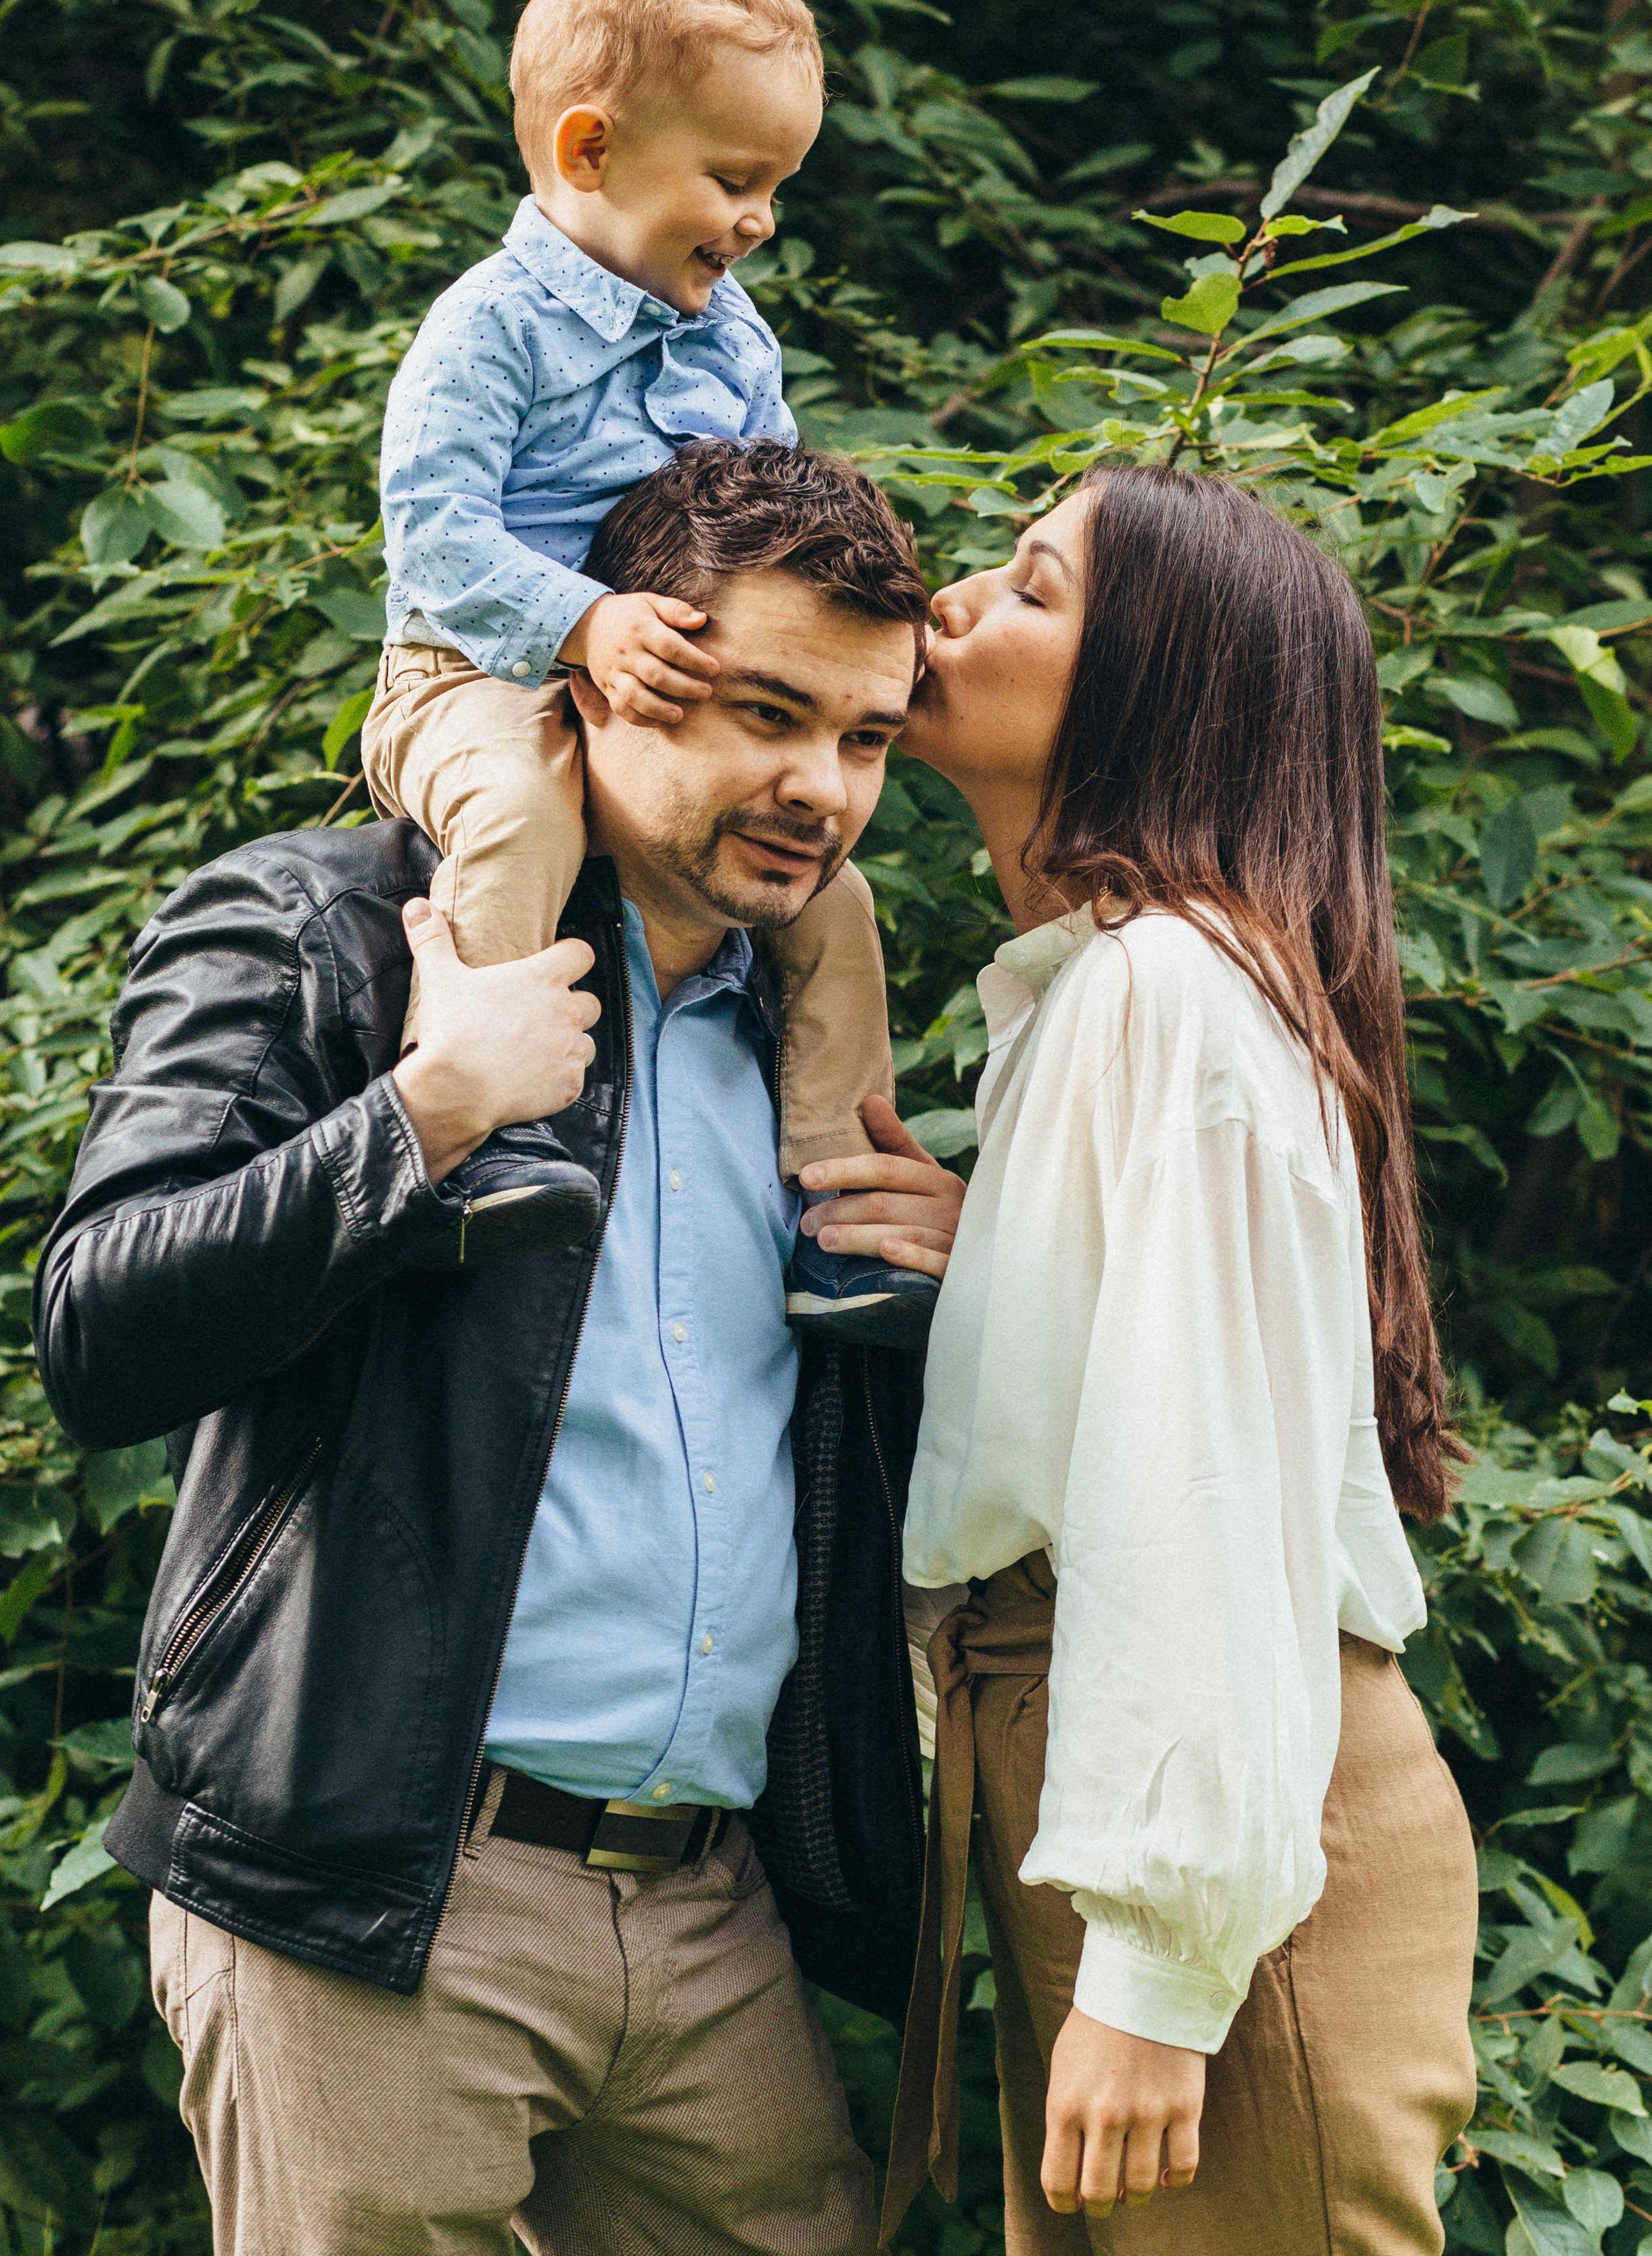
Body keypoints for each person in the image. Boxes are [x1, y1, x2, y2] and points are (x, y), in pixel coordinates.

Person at [33, 443, 963, 2256]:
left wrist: (932, 1298)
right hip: (381, 1887)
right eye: (762, 711)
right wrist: (430, 1114)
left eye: (862, 737)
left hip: (710, 1910)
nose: (817, 787)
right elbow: (100, 1330)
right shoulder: (322, 929)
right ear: (592, 676)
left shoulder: (806, 1039)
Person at [884, 466, 1479, 2254]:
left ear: (1156, 693)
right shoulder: (1107, 995)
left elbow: (1197, 1494)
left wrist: (1156, 1966)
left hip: (1207, 1836)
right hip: (1130, 1791)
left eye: (1036, 590)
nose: (956, 600)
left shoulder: (1168, 996)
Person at [365, 0, 932, 1347]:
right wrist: (583, 622)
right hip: (475, 672)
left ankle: (836, 1208)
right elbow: (433, 535)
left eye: (775, 189)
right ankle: (488, 1121)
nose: (755, 222)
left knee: (835, 902)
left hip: (659, 683)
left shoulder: (733, 338)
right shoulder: (489, 330)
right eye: (734, 180)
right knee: (517, 820)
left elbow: (773, 511)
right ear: (587, 152)